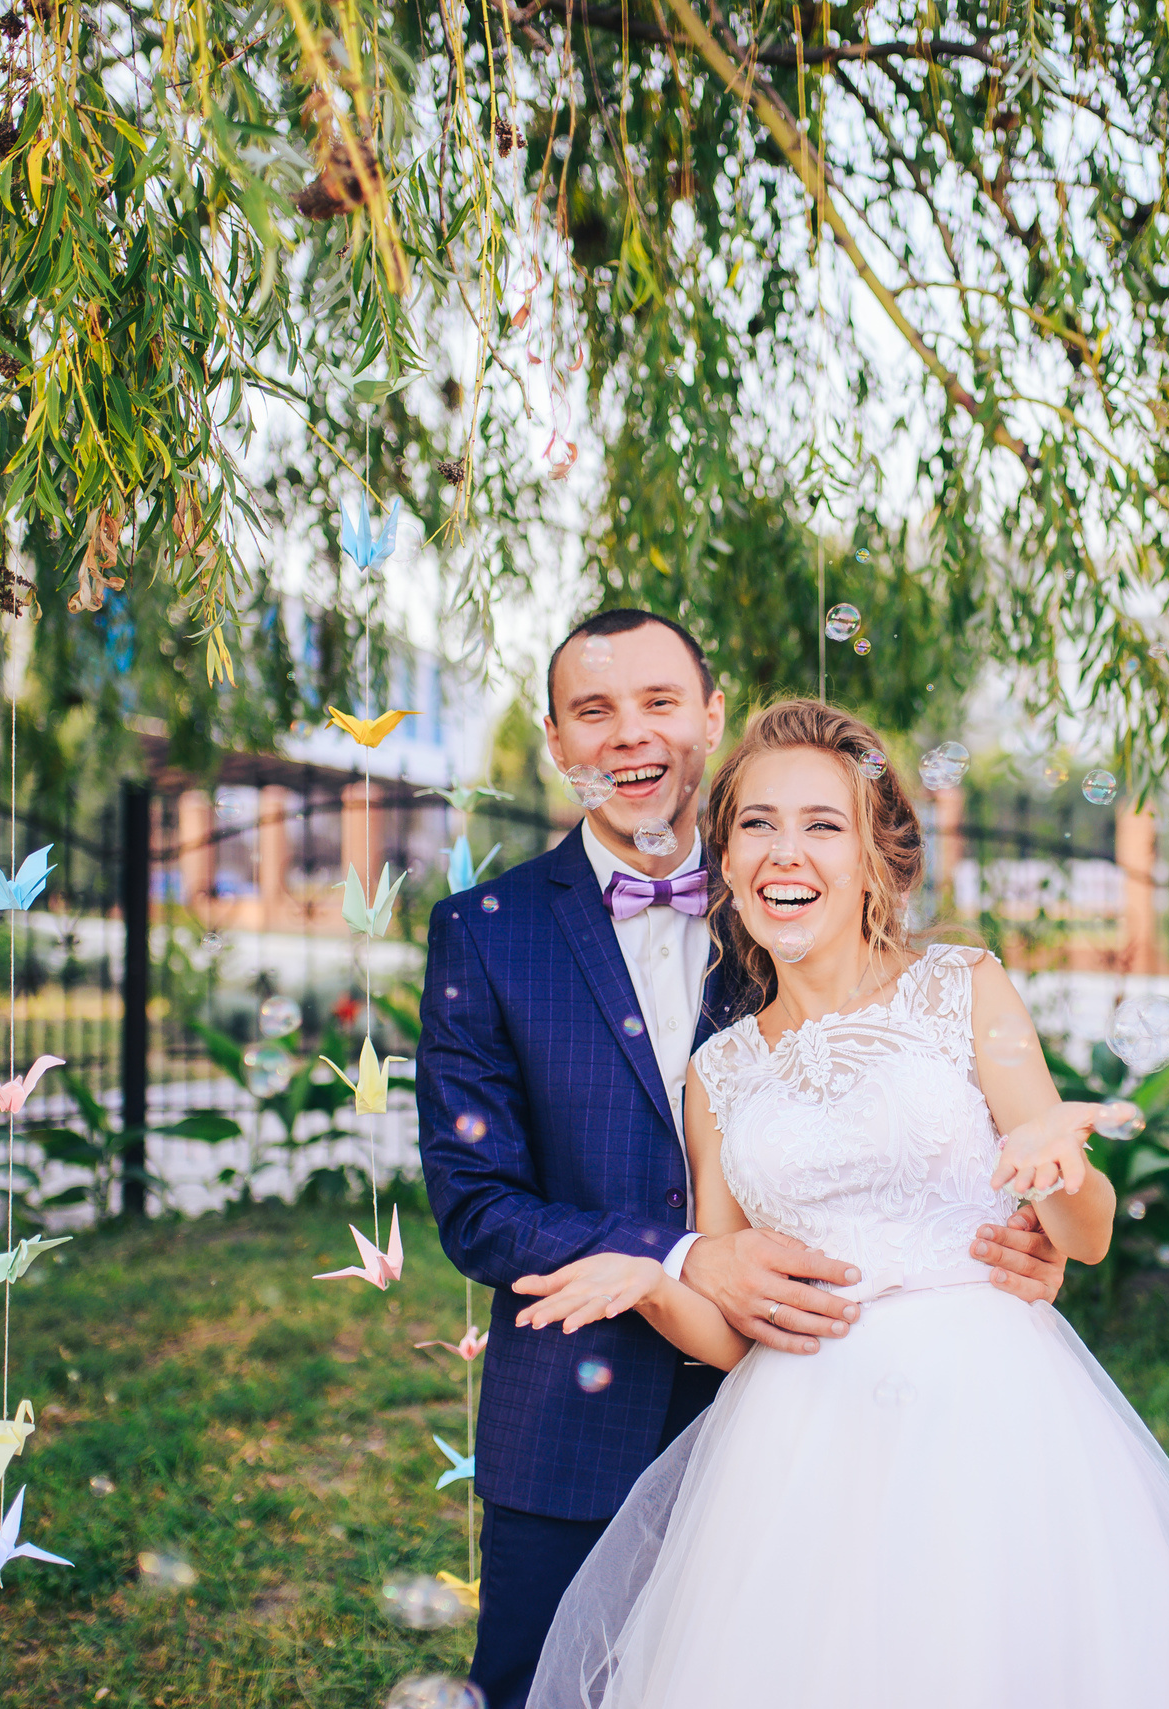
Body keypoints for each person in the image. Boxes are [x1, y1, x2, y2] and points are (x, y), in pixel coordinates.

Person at [510, 698, 1169, 1709]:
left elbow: (1087, 1237)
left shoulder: (963, 987)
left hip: (987, 1409)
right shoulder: (716, 1073)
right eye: (757, 823)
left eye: (822, 823)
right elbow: (734, 1330)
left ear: (875, 860)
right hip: (796, 1441)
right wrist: (652, 1283)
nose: (784, 851)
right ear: (727, 861)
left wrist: (1058, 1165)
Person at [414, 615, 1072, 1709]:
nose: (631, 734)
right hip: (574, 1419)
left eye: (660, 702)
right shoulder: (485, 931)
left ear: (711, 717)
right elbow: (476, 1204)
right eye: (594, 710)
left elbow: (917, 1109)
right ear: (556, 741)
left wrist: (1014, 1238)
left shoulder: (792, 888)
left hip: (817, 1420)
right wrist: (678, 1256)